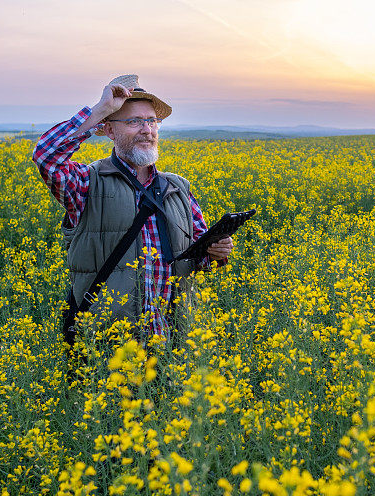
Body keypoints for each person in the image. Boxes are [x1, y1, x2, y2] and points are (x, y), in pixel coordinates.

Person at [32, 74, 232, 342]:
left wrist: (215, 251)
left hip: (173, 343)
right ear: (110, 131)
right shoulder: (88, 183)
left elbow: (196, 257)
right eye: (133, 121)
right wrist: (101, 110)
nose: (146, 129)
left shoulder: (178, 188)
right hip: (109, 347)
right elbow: (47, 155)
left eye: (151, 121)